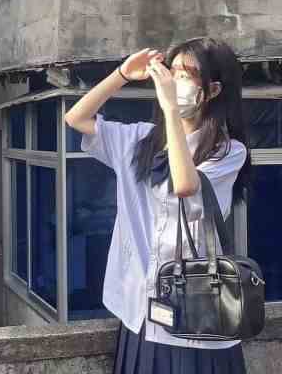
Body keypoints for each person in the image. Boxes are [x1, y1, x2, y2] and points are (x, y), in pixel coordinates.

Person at [64, 37, 249, 374]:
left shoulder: (227, 151)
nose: (173, 81)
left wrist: (170, 111)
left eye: (186, 75)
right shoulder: (139, 140)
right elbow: (76, 118)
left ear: (212, 90)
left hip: (197, 313)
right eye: (171, 71)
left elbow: (185, 186)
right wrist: (122, 74)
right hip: (139, 308)